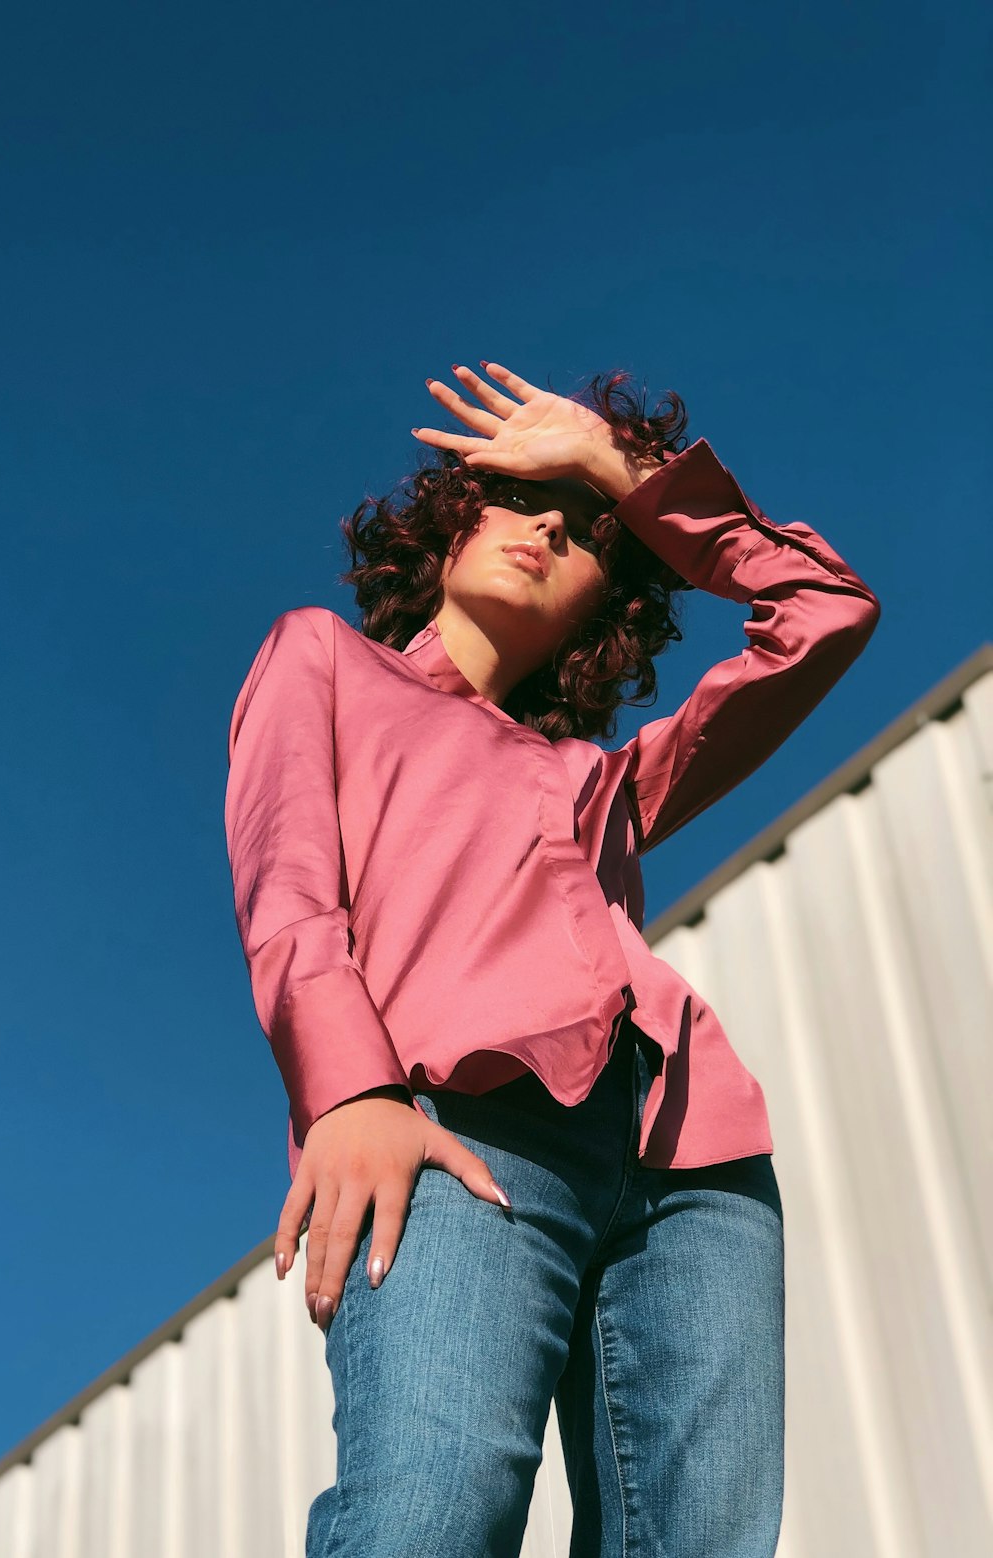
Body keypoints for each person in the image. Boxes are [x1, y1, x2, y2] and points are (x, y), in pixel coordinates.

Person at [223, 361, 881, 1557]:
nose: (544, 530)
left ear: (602, 608)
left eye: (581, 533)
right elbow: (287, 882)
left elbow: (823, 613)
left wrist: (627, 480)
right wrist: (350, 1088)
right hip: (462, 1125)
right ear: (450, 521)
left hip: (696, 1157)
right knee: (433, 1509)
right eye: (521, 498)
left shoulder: (605, 779)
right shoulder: (322, 659)